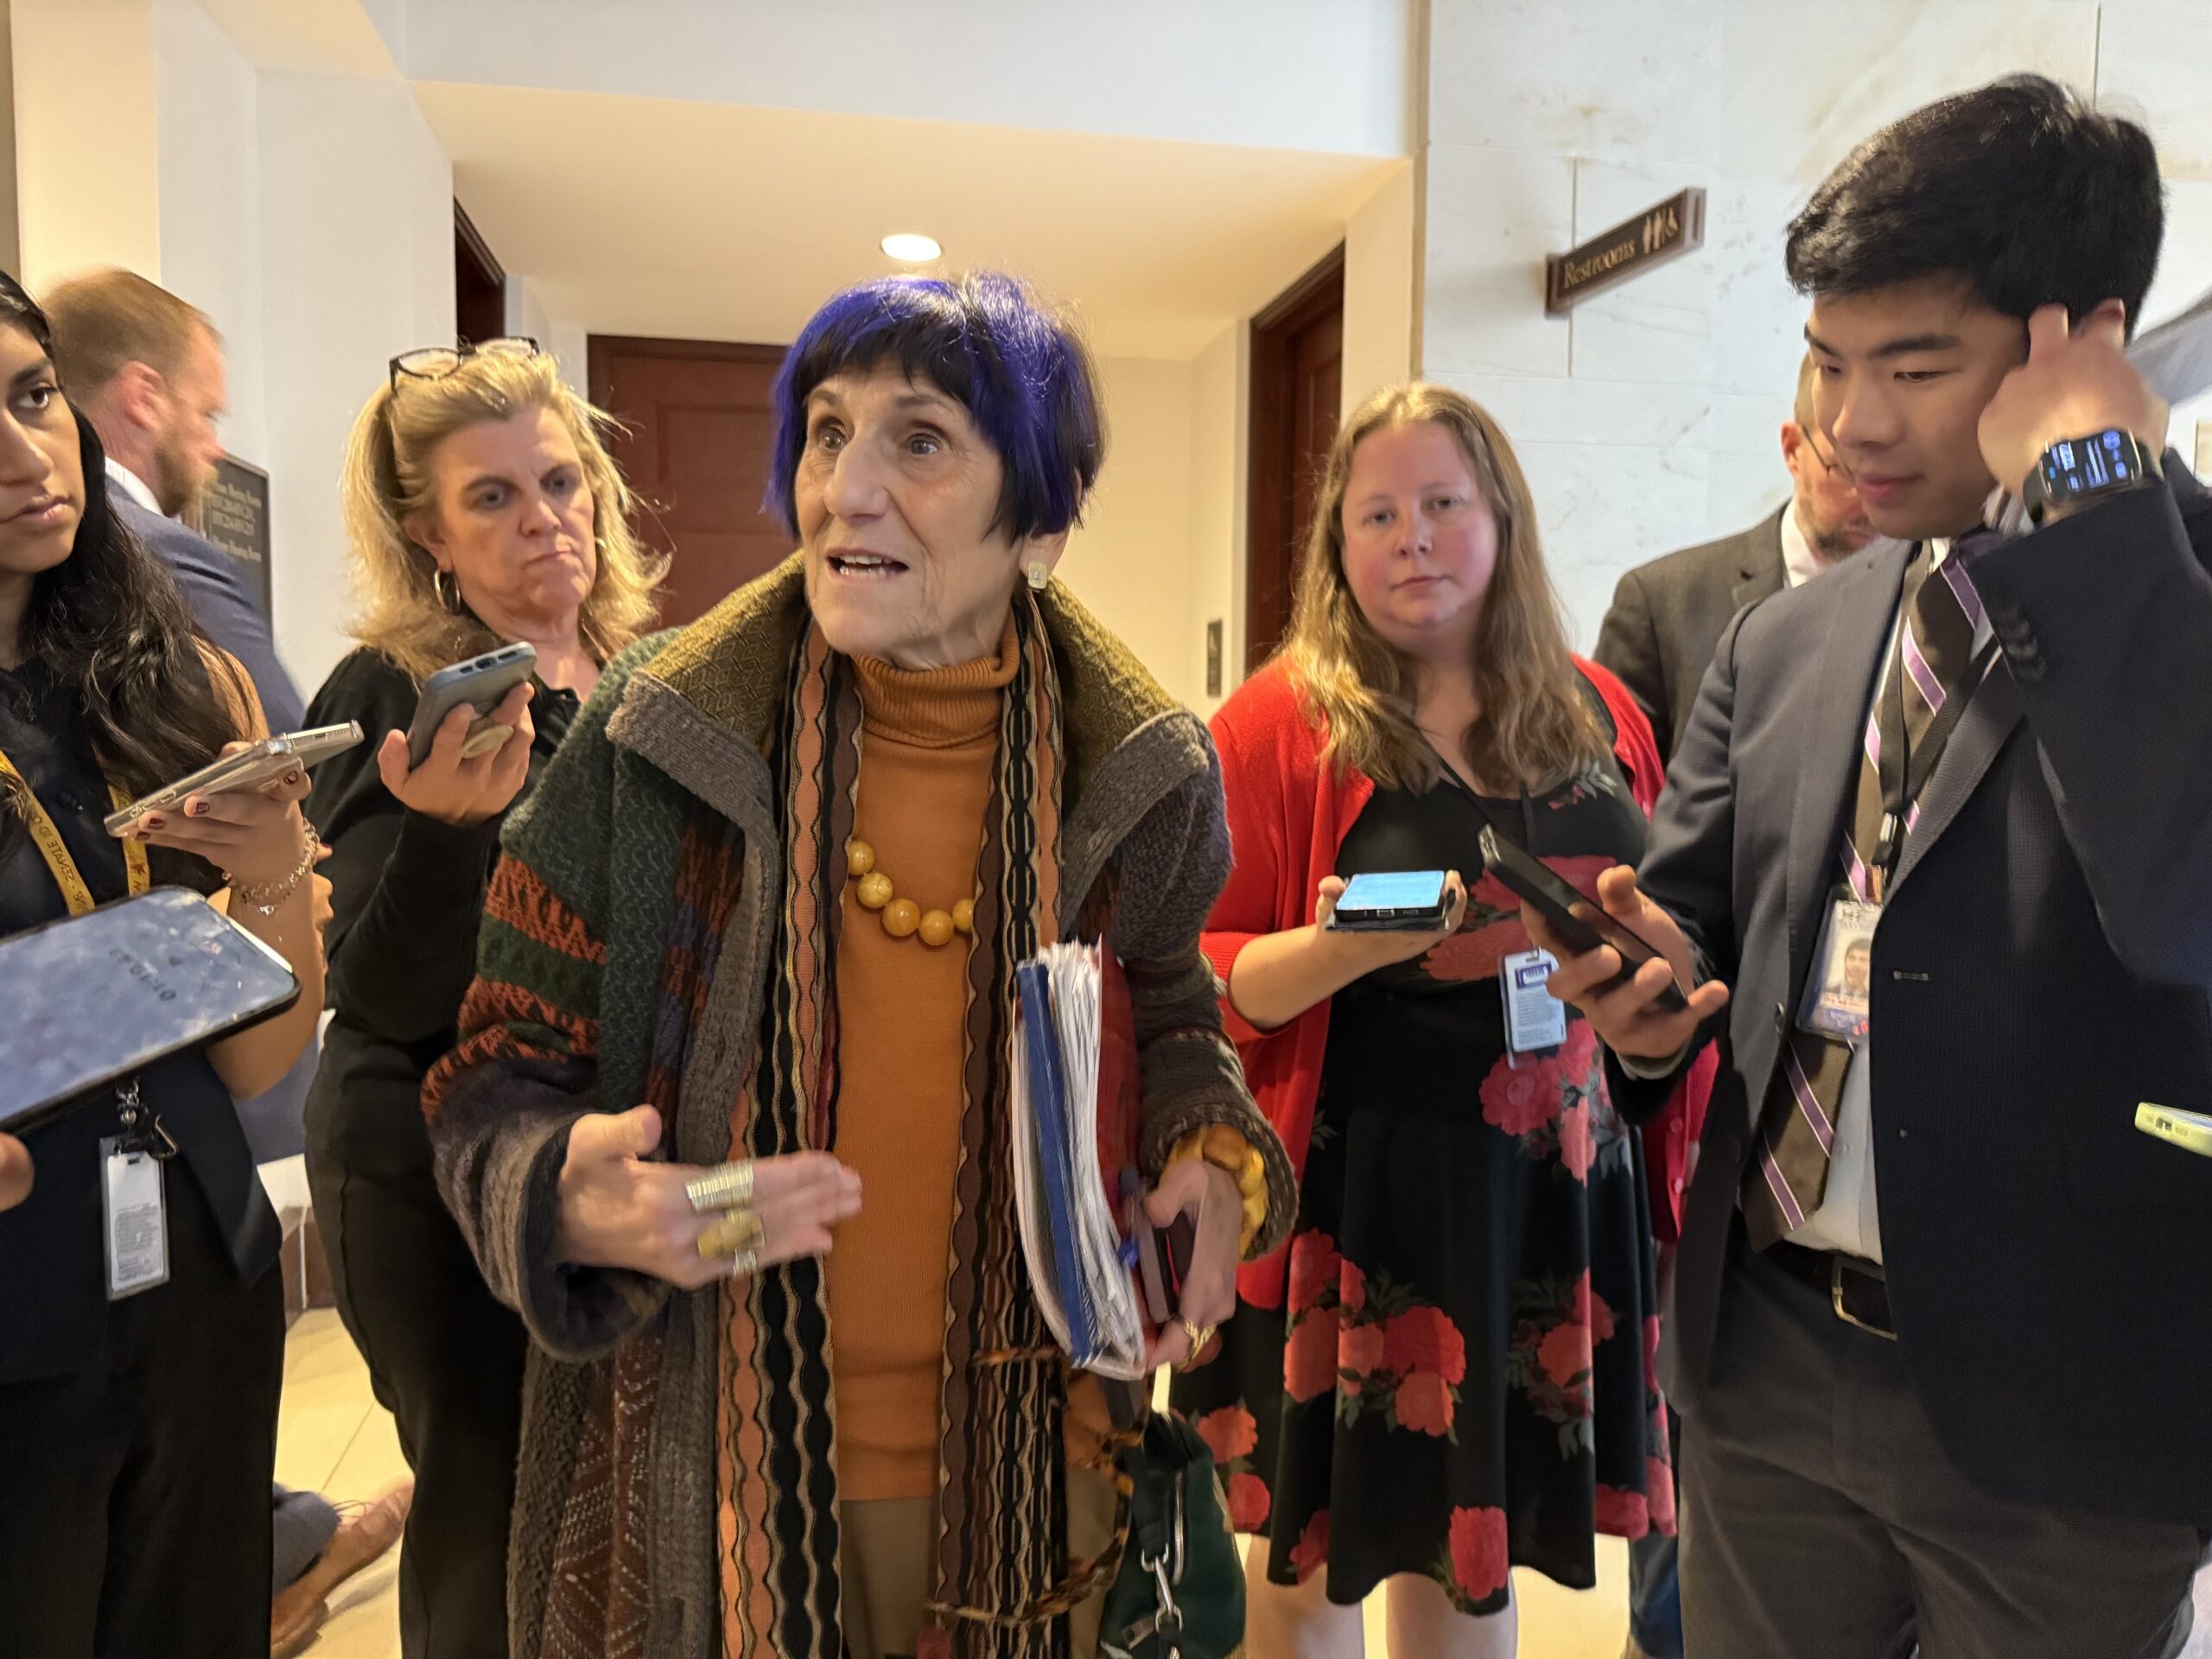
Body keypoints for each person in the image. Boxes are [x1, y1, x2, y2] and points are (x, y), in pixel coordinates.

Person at [419, 271, 1293, 1659]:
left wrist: (1205, 1145)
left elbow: (1174, 1004)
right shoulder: (649, 751)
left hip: (1048, 1481)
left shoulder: (1140, 776)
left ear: (1041, 524)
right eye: (827, 433)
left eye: (922, 441)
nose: (846, 492)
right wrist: (563, 1200)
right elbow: (486, 1078)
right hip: (715, 1490)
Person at [1533, 77, 2212, 1659]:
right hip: (1766, 1374)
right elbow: (1698, 928)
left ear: (2085, 346)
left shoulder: (2170, 603)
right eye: (1830, 364)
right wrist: (1645, 1007)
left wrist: (2093, 499)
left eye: (1915, 366)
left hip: (2062, 1427)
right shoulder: (1790, 633)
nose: (1854, 422)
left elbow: (2189, 889)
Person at [1168, 382, 1681, 1659]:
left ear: (1499, 519)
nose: (1413, 539)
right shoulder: (1278, 724)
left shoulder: (1594, 709)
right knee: (1315, 1575)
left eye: (1444, 505)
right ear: (1336, 545)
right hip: (1363, 1189)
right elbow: (1198, 971)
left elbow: (1666, 908)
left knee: (1473, 1568)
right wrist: (1341, 946)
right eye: (1377, 513)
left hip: (1548, 1186)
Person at [301, 335, 664, 1659]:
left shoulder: (646, 683)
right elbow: (381, 987)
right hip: (419, 1156)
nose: (544, 523)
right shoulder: (394, 692)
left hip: (591, 1140)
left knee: (605, 1487)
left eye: (561, 483)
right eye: (493, 498)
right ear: (429, 535)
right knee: (488, 1497)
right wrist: (455, 829)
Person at [0, 271, 324, 1653]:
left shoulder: (171, 684)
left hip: (202, 1263)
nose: (26, 451)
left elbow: (256, 1053)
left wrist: (266, 866)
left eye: (29, 396)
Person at [1592, 355, 1891, 1659]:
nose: (1864, 442)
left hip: (1914, 1186)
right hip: (1730, 1119)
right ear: (1791, 438)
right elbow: (1644, 835)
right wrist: (1648, 955)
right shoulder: (1687, 605)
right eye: (1836, 401)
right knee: (1703, 1548)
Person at [1595, 353, 1890, 768]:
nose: (1871, 503)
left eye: (1890, 477)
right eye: (1845, 472)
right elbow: (1613, 792)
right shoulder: (1661, 603)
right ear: (1792, 450)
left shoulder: (1928, 591)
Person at [42, 267, 302, 730]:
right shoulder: (156, 548)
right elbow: (286, 742)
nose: (215, 449)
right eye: (207, 416)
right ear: (144, 398)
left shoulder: (34, 545)